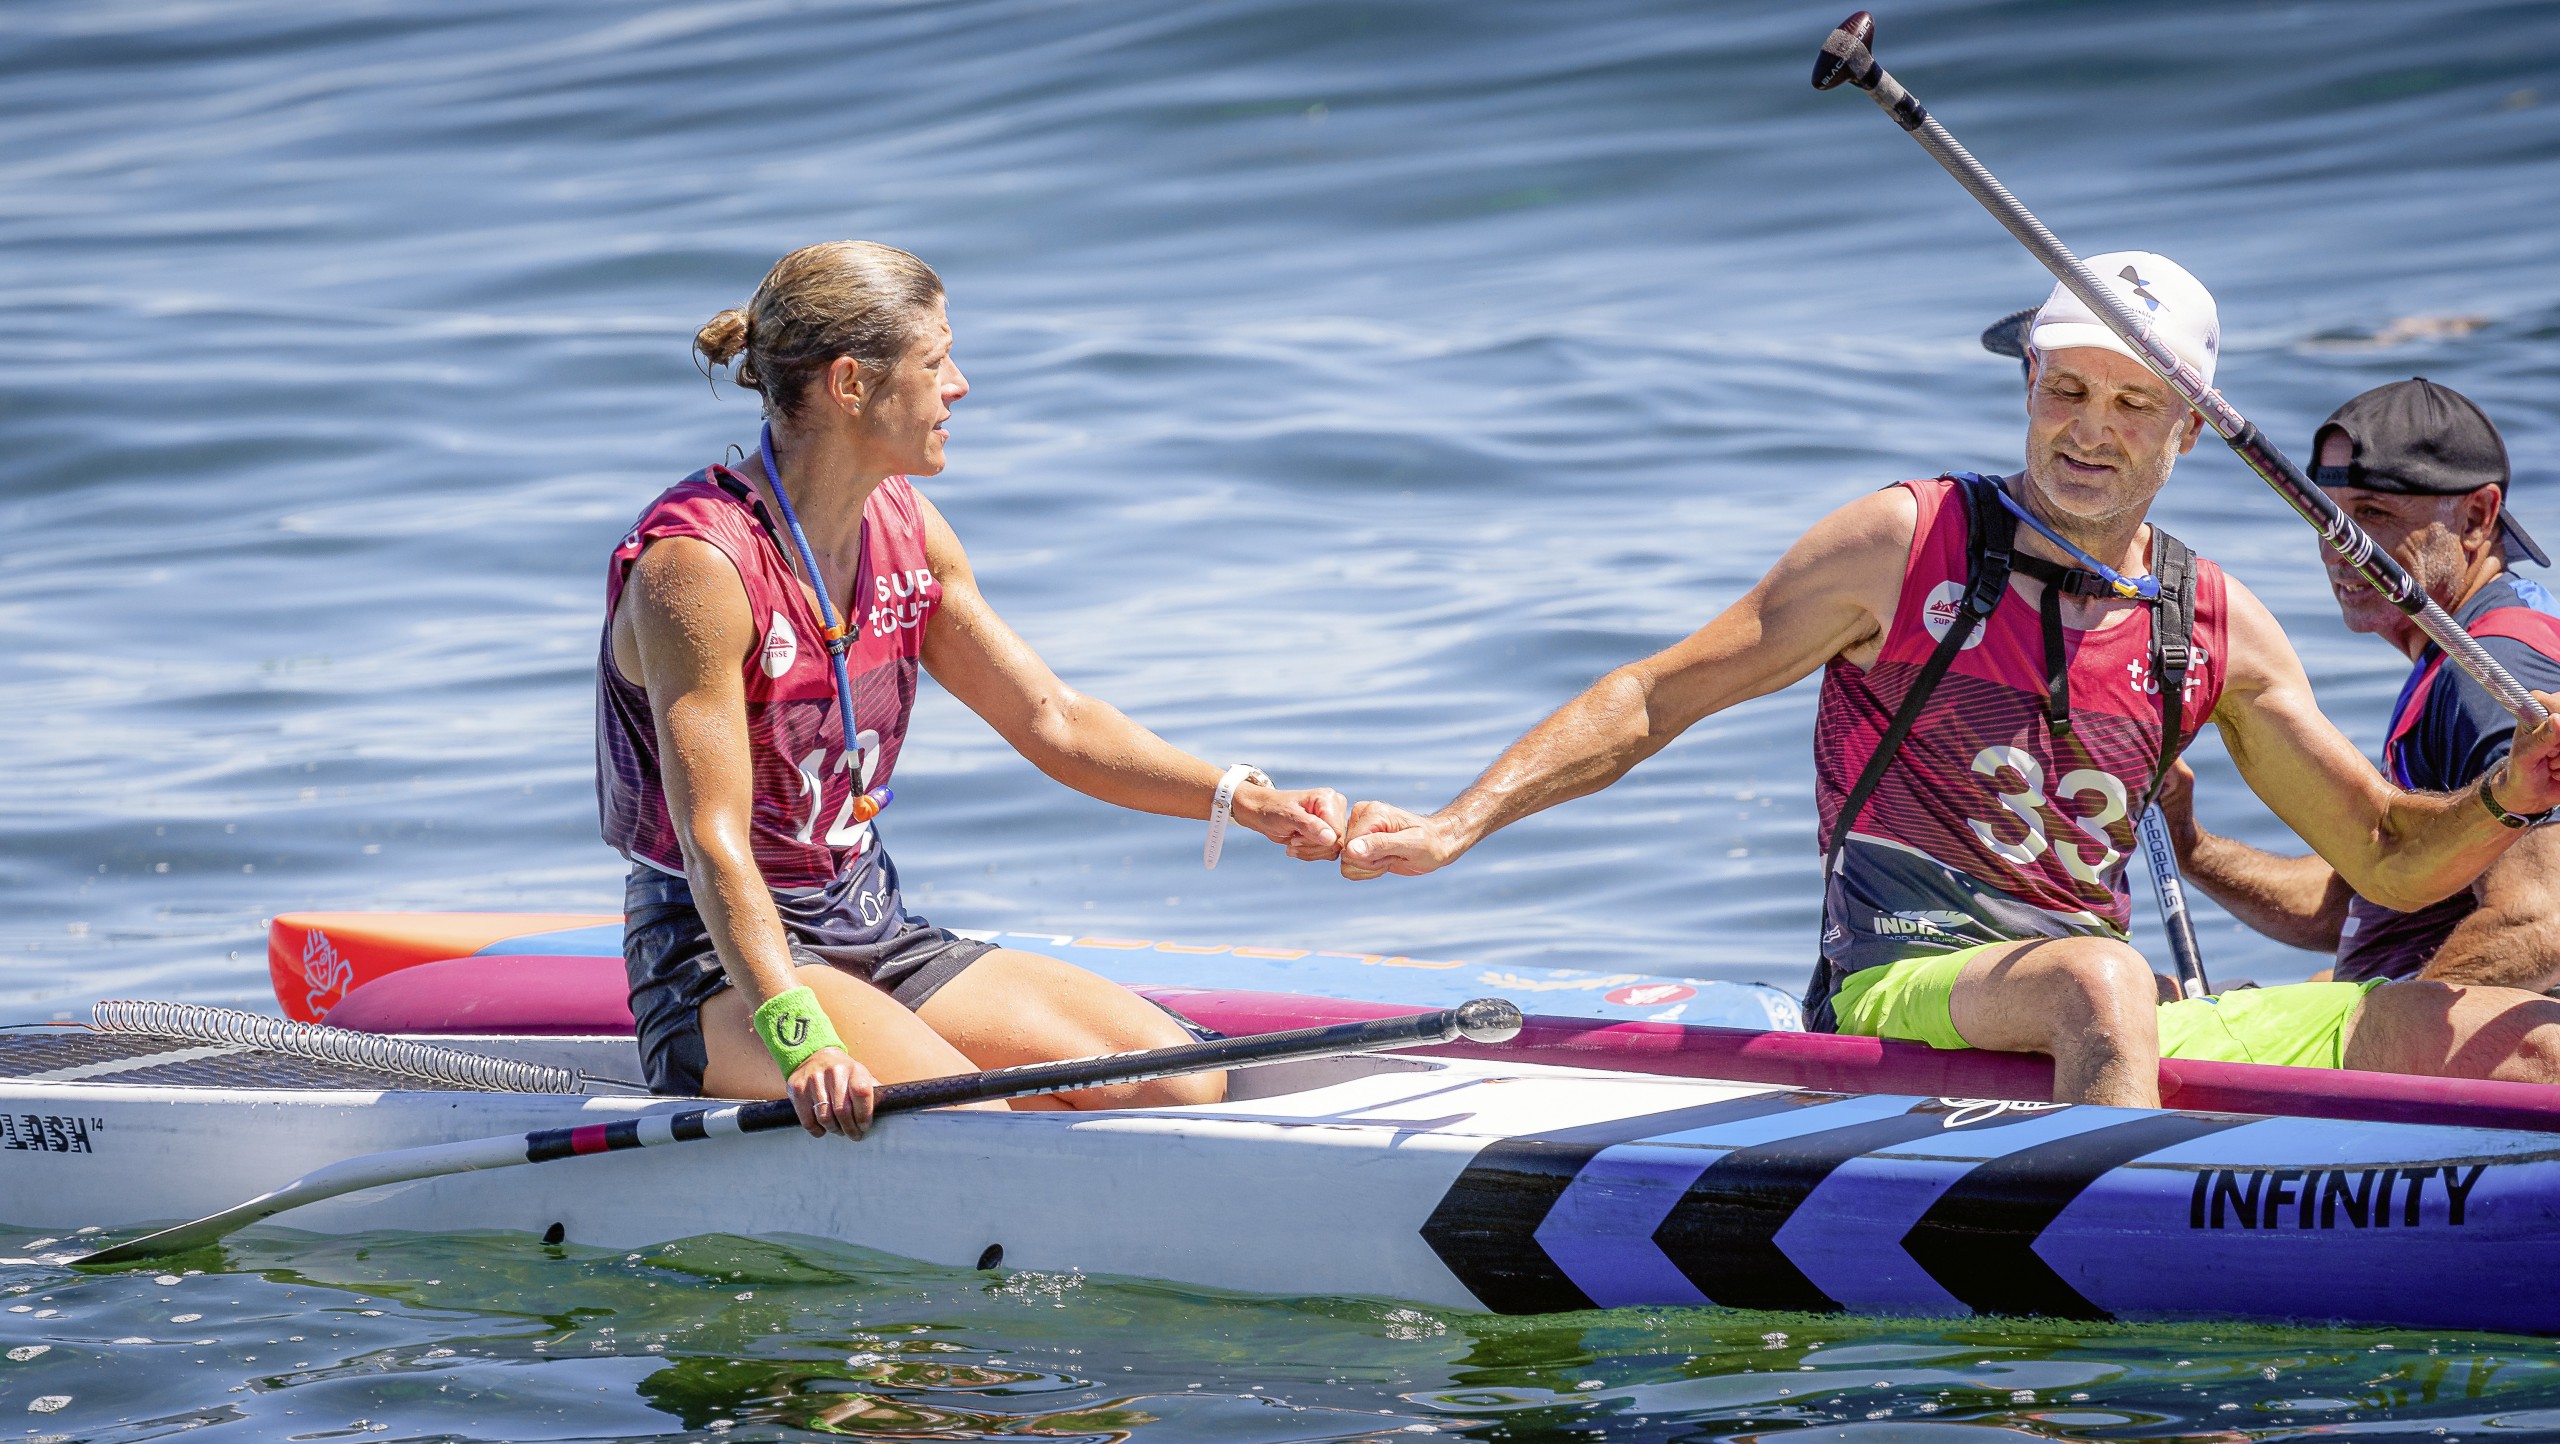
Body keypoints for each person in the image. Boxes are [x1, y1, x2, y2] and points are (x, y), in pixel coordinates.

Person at [1333, 252, 2560, 1107]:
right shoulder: (1904, 542)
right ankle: (2099, 1310)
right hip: (1903, 972)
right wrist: (1456, 824)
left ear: (2189, 431)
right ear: (2026, 386)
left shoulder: (2214, 623)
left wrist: (2513, 789)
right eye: (2065, 389)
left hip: (2096, 996)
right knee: (2102, 979)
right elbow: (1659, 696)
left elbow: (2388, 856)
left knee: (2500, 1041)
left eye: (2134, 404)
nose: (2090, 428)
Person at [600, 240, 1348, 1132]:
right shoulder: (699, 565)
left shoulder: (908, 531)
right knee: (982, 1120)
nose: (958, 385)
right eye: (935, 358)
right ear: (851, 384)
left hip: (872, 927)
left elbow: (1054, 720)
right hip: (719, 963)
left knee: (1177, 1083)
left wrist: (1242, 799)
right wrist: (802, 1039)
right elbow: (711, 837)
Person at [2149, 380, 2560, 991]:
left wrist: (2362, 1040)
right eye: (2327, 516)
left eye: (2371, 515)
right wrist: (2190, 847)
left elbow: (2538, 925)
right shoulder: (2451, 655)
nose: (2339, 551)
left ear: (2476, 517)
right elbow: (2373, 894)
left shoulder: (2494, 672)